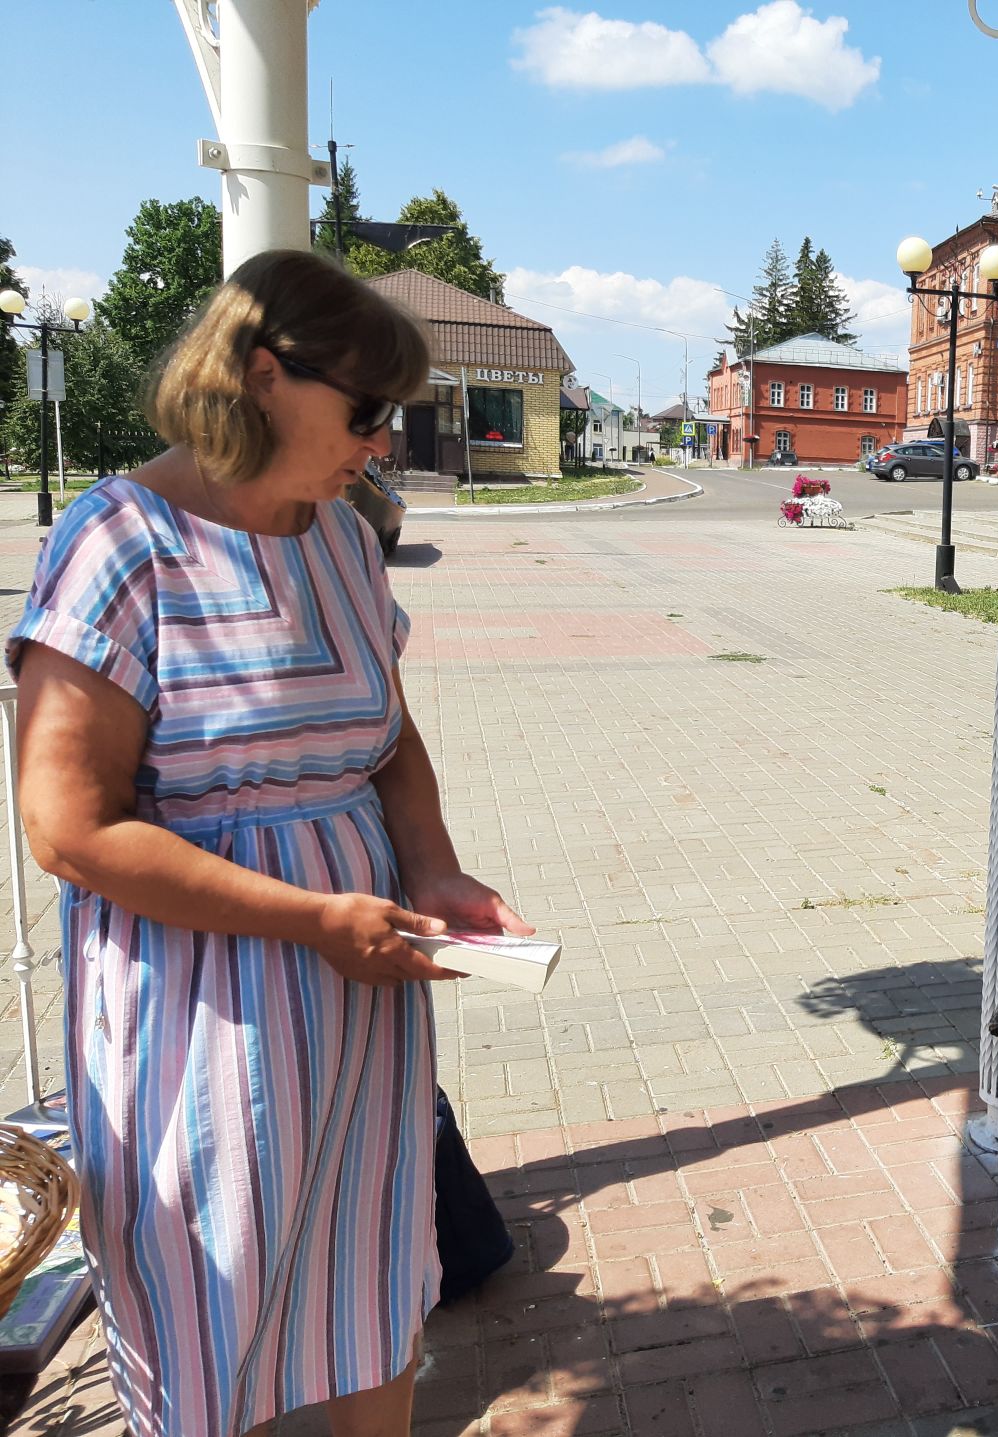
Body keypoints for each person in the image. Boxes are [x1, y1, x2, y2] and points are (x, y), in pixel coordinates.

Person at [9, 249, 532, 1437]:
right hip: (200, 1015)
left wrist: (435, 865)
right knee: (209, 1304)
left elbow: (388, 738)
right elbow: (69, 829)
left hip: (358, 1005)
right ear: (260, 374)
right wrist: (314, 919)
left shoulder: (343, 537)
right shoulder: (120, 543)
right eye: (363, 412)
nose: (378, 442)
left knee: (371, 1281)